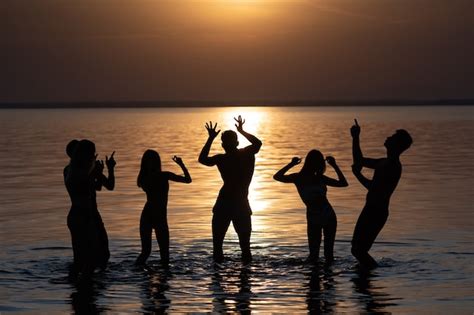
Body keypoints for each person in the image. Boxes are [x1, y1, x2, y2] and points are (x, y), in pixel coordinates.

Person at [198, 115, 262, 264]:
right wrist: (242, 130)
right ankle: (245, 279)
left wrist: (210, 138)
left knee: (219, 247)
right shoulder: (246, 154)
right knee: (244, 248)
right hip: (234, 204)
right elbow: (258, 143)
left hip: (228, 203)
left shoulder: (225, 158)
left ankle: (219, 279)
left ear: (223, 145)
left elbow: (202, 159)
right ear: (237, 142)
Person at [350, 119, 412, 269]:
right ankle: (365, 276)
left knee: (359, 250)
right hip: (371, 209)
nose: (388, 138)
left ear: (397, 145)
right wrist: (356, 138)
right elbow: (359, 160)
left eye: (392, 138)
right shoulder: (384, 162)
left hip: (376, 212)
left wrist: (357, 175)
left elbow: (373, 188)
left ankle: (370, 275)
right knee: (357, 249)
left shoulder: (392, 166)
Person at [274, 150, 348, 263]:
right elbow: (277, 177)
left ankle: (321, 277)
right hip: (317, 217)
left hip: (327, 217)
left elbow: (343, 183)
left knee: (325, 256)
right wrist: (292, 164)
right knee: (316, 256)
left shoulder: (318, 178)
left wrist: (335, 165)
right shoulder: (299, 178)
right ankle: (325, 277)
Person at [136, 150, 192, 266]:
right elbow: (148, 185)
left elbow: (188, 180)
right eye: (148, 161)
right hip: (148, 216)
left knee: (165, 256)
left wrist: (181, 165)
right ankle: (138, 274)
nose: (151, 163)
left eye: (153, 161)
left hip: (160, 217)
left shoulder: (163, 175)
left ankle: (162, 281)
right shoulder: (147, 178)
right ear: (145, 163)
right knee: (146, 252)